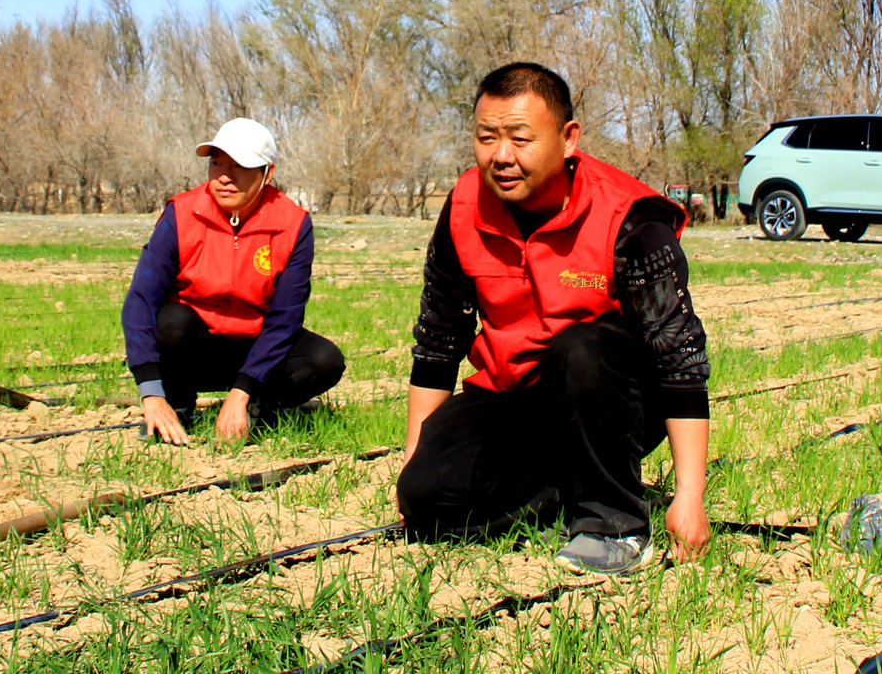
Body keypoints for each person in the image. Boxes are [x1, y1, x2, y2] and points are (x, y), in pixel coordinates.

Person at [396, 63, 713, 575]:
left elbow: (679, 358)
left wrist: (689, 494)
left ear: (568, 139)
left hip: (613, 397)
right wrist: (414, 455)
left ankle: (614, 522)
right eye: (486, 138)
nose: (501, 156)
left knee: (581, 347)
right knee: (426, 498)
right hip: (513, 395)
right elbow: (439, 337)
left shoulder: (629, 217)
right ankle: (569, 484)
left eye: (521, 139)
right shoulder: (462, 206)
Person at [122, 117, 345, 445]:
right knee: (172, 320)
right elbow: (140, 300)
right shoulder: (181, 214)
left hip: (254, 349)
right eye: (216, 163)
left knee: (324, 360)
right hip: (193, 347)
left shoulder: (294, 225)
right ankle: (175, 404)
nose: (224, 176)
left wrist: (243, 391)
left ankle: (257, 405)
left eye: (240, 165)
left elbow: (285, 320)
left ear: (268, 173)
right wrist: (150, 393)